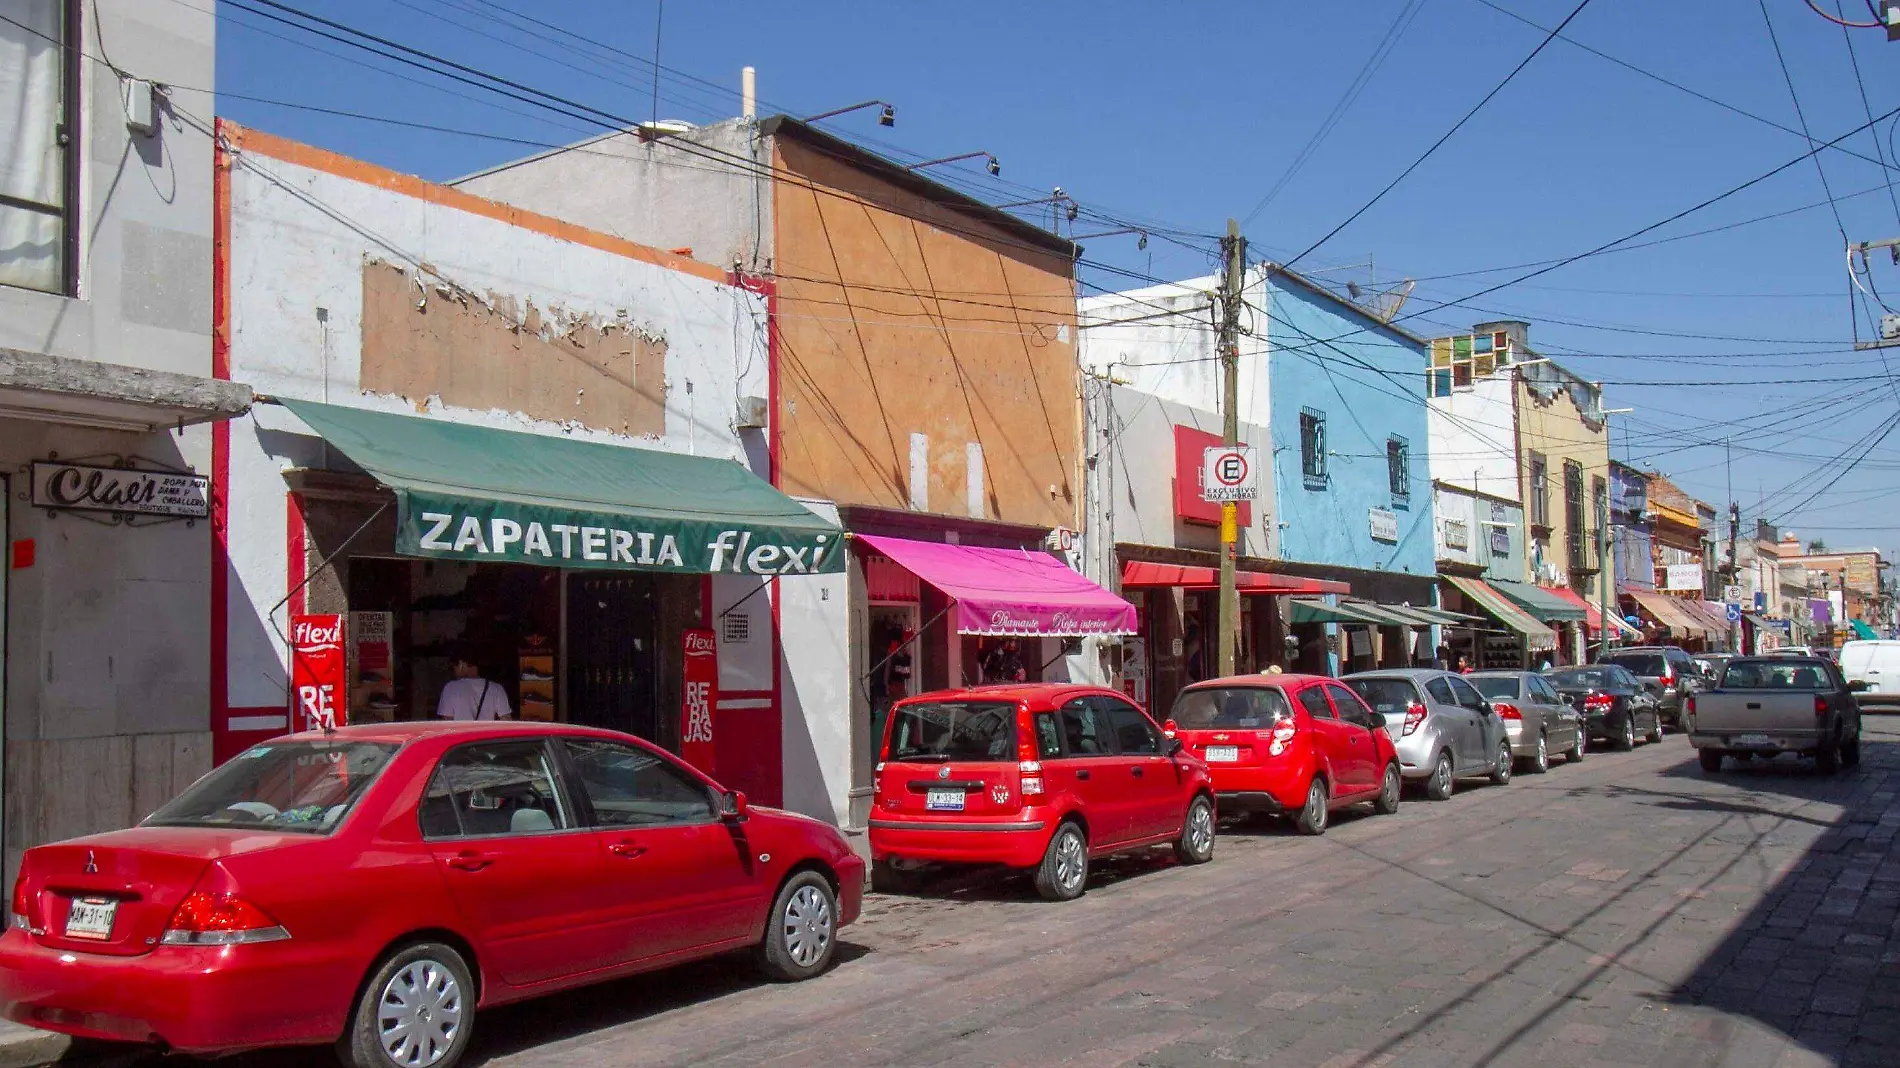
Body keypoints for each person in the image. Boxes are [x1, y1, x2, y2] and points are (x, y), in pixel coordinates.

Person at [435, 648, 513, 721]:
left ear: (461, 664)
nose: (454, 671)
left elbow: (447, 721)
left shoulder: (451, 688)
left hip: (461, 735)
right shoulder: (496, 688)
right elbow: (506, 720)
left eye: (454, 667)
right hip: (485, 735)